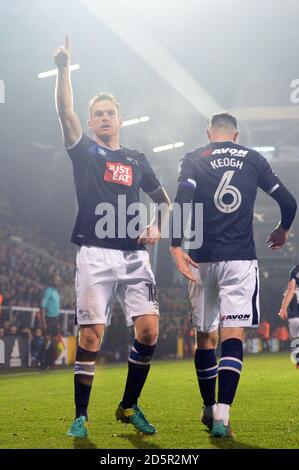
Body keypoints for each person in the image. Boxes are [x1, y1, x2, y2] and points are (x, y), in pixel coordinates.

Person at [53, 37, 170, 438]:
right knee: (91, 335)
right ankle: (81, 416)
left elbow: (165, 201)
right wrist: (64, 68)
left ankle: (128, 405)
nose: (104, 118)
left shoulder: (137, 159)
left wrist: (157, 224)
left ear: (120, 119)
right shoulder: (85, 151)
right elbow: (64, 112)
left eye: (110, 113)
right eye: (97, 114)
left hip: (135, 255)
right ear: (91, 123)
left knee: (150, 331)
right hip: (95, 253)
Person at [170, 112, 297, 437]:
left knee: (204, 338)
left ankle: (209, 407)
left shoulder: (195, 157)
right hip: (240, 261)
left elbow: (183, 199)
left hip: (202, 260)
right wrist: (282, 230)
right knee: (232, 336)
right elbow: (288, 201)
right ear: (236, 135)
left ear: (208, 133)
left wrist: (175, 244)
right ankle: (223, 415)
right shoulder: (253, 158)